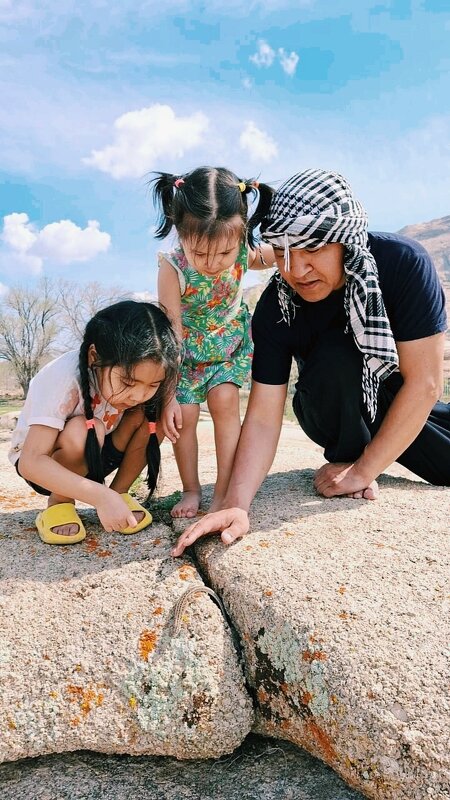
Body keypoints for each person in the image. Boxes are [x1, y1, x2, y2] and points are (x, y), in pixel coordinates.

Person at [172, 167, 449, 556]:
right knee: (338, 354)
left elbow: (424, 384)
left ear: (345, 241)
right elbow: (265, 416)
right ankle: (347, 450)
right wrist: (237, 504)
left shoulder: (402, 263)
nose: (296, 270)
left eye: (313, 248)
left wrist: (365, 469)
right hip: (329, 406)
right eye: (282, 253)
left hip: (404, 399)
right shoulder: (275, 307)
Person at [152, 166, 274, 518]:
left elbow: (280, 254)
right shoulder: (172, 268)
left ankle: (223, 491)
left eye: (222, 254)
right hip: (184, 357)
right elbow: (170, 331)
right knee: (184, 417)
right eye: (200, 253)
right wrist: (169, 394)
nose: (212, 263)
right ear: (181, 233)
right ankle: (191, 490)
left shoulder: (239, 251)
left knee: (224, 402)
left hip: (228, 349)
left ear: (241, 235)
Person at [9, 300, 179, 545]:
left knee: (157, 415)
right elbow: (30, 462)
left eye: (152, 385)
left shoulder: (145, 382)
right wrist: (98, 496)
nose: (138, 395)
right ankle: (60, 502)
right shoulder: (64, 378)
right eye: (129, 383)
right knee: (87, 428)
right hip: (47, 466)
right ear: (93, 356)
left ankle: (119, 494)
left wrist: (168, 399)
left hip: (97, 454)